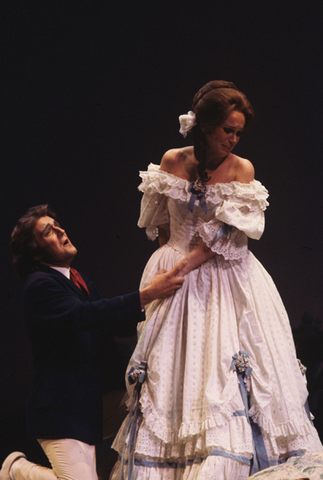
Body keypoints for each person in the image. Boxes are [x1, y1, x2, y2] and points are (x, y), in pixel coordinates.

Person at [110, 81, 323, 480]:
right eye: (228, 129)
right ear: (206, 126)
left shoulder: (242, 169)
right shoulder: (172, 161)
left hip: (225, 276)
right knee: (174, 369)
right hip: (175, 273)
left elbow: (226, 234)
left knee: (226, 368)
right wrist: (166, 266)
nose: (234, 138)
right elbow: (159, 223)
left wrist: (182, 267)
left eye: (239, 132)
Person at [0, 205, 185, 480]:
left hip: (92, 406)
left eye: (57, 224)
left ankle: (108, 471)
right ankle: (15, 470)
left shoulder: (77, 280)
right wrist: (146, 294)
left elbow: (116, 323)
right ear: (36, 253)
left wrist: (160, 301)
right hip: (62, 415)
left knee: (150, 402)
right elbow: (85, 315)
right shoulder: (39, 285)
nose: (62, 230)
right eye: (49, 231)